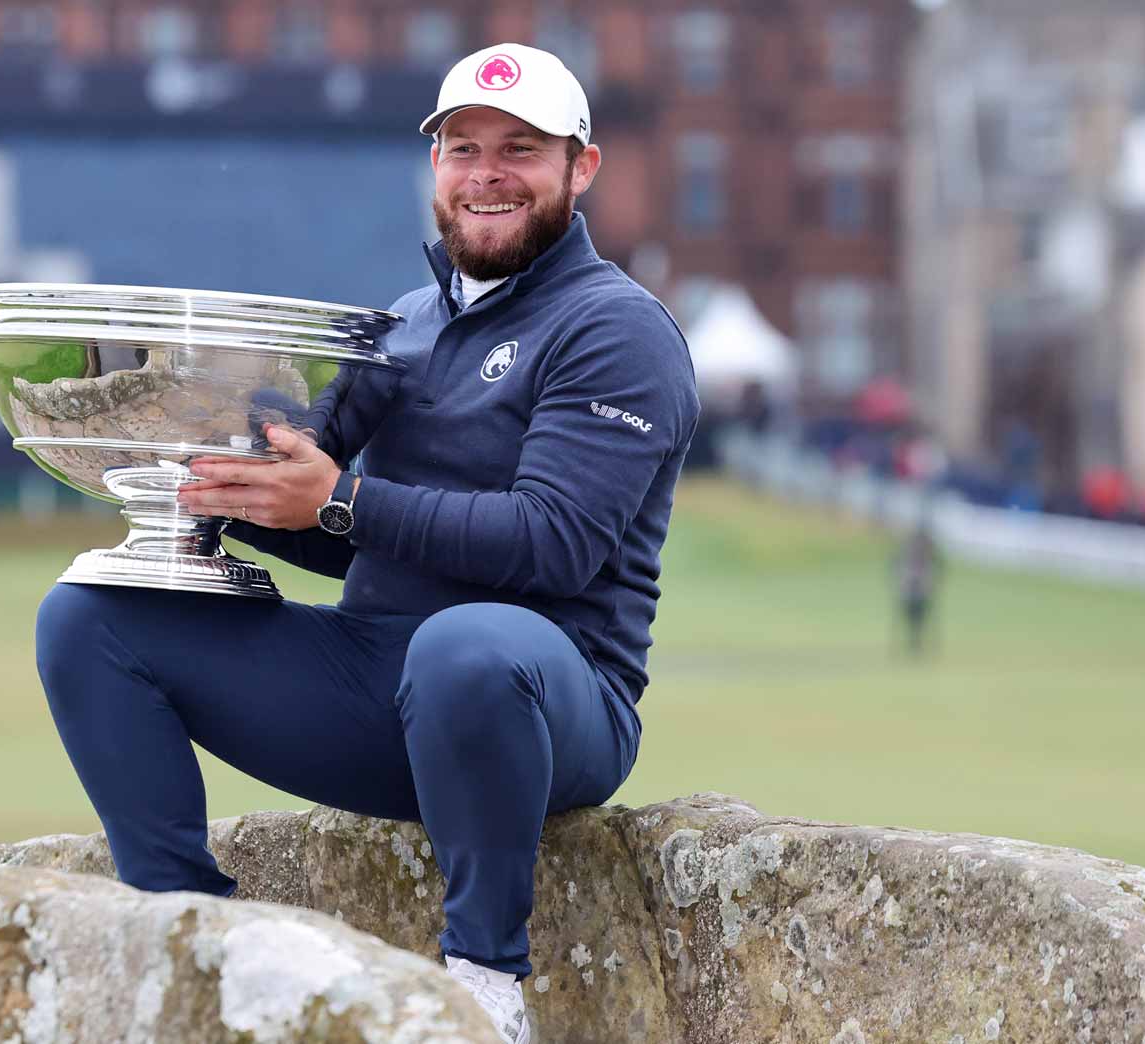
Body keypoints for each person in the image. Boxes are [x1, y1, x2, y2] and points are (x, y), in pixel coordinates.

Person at [34, 43, 698, 1043]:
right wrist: (244, 498)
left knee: (465, 647)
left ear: (580, 168)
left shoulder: (614, 329)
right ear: (432, 165)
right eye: (462, 147)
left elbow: (552, 545)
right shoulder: (404, 327)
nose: (485, 171)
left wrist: (338, 500)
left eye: (520, 149)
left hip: (548, 707)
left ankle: (484, 984)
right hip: (372, 687)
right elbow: (360, 546)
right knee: (90, 617)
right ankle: (190, 941)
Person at [893, 523, 944, 658]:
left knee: (920, 618)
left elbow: (939, 566)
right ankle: (914, 642)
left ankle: (917, 642)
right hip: (910, 590)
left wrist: (933, 581)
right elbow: (896, 565)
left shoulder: (928, 551)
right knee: (911, 617)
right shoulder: (907, 551)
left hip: (921, 590)